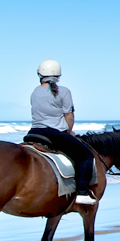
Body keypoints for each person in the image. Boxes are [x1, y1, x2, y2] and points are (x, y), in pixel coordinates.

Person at [26, 59, 96, 205]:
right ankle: (82, 192)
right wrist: (69, 132)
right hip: (54, 135)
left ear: (40, 74)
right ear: (58, 75)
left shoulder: (35, 92)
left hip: (34, 132)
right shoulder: (64, 91)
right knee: (86, 155)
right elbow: (69, 116)